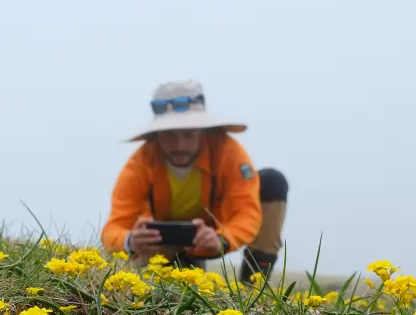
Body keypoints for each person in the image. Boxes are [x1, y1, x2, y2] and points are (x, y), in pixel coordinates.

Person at [101, 79, 288, 282]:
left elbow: (247, 212)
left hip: (212, 236)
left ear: (202, 130)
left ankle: (253, 285)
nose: (179, 144)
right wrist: (131, 241)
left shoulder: (227, 151)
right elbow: (114, 227)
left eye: (188, 134)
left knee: (272, 182)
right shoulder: (141, 161)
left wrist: (222, 240)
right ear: (156, 135)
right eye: (169, 134)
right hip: (162, 247)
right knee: (172, 285)